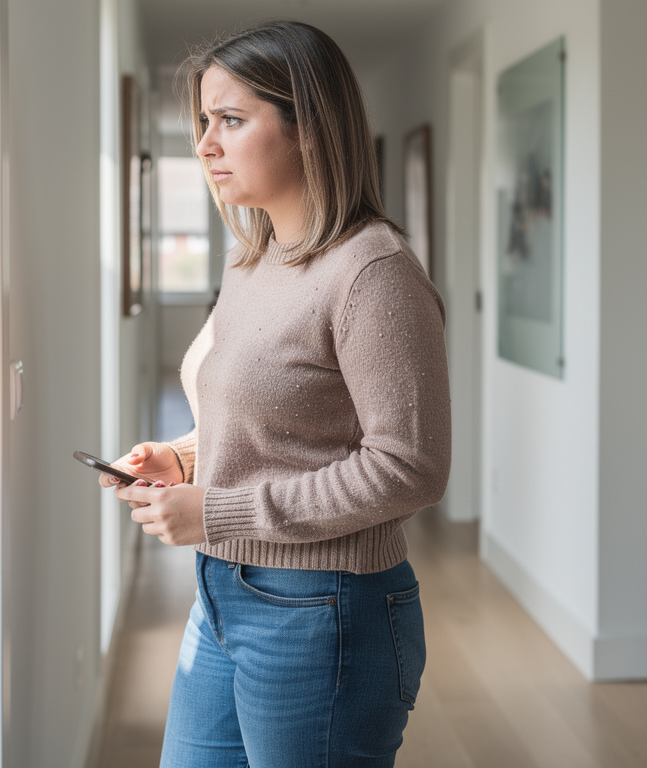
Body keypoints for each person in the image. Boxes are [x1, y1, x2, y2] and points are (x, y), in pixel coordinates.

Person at [99, 19, 450, 768]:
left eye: (230, 119)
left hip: (325, 610)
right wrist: (186, 458)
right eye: (203, 121)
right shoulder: (250, 260)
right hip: (222, 593)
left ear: (310, 128)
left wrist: (218, 509)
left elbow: (410, 467)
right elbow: (269, 421)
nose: (205, 145)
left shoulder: (373, 273)